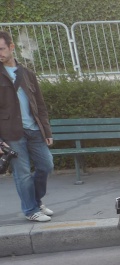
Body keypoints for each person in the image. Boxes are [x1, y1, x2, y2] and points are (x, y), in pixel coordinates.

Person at [0, 31, 54, 222]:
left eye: (2, 49)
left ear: (11, 47)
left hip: (34, 129)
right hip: (12, 134)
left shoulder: (28, 74)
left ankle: (37, 201)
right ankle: (31, 210)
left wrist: (46, 130)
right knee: (22, 174)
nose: (0, 53)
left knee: (46, 165)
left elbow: (40, 105)